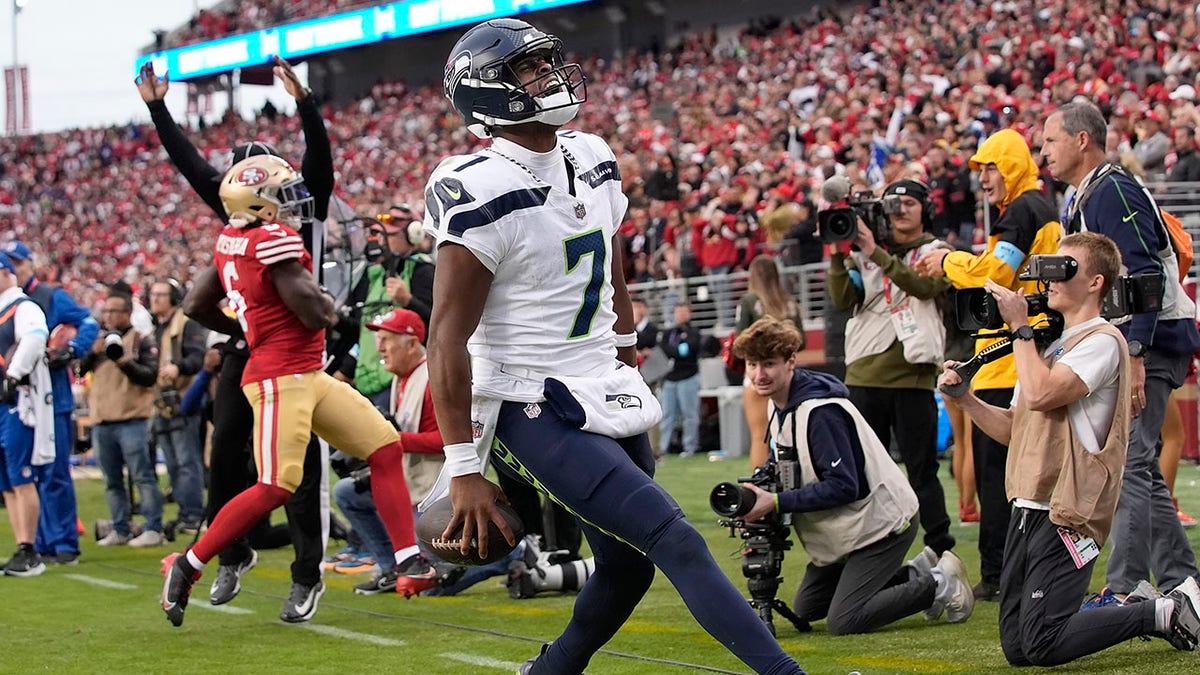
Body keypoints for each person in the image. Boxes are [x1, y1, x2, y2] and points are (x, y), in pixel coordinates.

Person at [426, 18, 805, 675]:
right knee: (673, 534)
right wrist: (463, 465)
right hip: (528, 394)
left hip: (600, 378)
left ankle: (549, 671)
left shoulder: (592, 155)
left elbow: (611, 271)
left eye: (546, 62)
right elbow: (446, 336)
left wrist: (629, 364)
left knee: (628, 565)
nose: (546, 76)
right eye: (526, 69)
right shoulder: (476, 186)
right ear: (487, 90)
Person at [160, 155, 436, 628]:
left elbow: (196, 302)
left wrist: (245, 326)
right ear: (259, 204)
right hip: (277, 380)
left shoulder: (235, 240)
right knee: (275, 486)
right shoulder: (271, 243)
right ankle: (191, 563)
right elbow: (314, 312)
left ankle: (408, 556)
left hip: (307, 372)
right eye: (283, 197)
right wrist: (329, 308)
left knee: (385, 446)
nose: (293, 205)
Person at [937, 232, 1200, 664]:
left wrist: (1020, 328)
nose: (1050, 279)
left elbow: (1041, 396)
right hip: (1029, 503)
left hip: (1067, 509)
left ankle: (1161, 610)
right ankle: (1134, 605)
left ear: (1096, 282)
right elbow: (1013, 428)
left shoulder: (1101, 341)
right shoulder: (1052, 346)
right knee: (1019, 648)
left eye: (1064, 268)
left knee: (1042, 643)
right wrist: (964, 399)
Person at [140, 56, 331, 622]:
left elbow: (318, 169)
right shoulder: (239, 221)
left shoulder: (302, 208)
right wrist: (157, 108)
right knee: (224, 456)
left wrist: (305, 104)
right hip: (254, 349)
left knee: (297, 475)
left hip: (300, 352)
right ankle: (230, 551)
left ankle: (307, 573)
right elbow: (192, 166)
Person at [1040, 101, 1200, 598]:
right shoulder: (1093, 191)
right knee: (1140, 470)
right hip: (1143, 340)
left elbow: (1146, 273)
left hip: (1150, 342)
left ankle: (1125, 588)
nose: (1042, 150)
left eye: (1050, 140)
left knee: (1130, 465)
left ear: (1082, 140)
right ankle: (1181, 581)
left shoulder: (1110, 189)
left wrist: (1134, 353)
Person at [732, 315, 974, 634]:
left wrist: (775, 501)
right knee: (809, 607)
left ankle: (940, 583)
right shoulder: (779, 404)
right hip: (848, 528)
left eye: (768, 364)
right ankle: (916, 573)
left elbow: (845, 486)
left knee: (845, 619)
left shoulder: (820, 412)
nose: (759, 374)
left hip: (882, 524)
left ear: (790, 361)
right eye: (752, 365)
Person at [916, 129, 1062, 601]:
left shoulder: (1024, 209)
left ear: (1013, 164)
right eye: (978, 169)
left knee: (1000, 474)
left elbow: (995, 277)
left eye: (990, 167)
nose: (982, 178)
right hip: (1025, 354)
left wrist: (947, 260)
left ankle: (999, 576)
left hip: (1011, 362)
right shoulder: (1037, 206)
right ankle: (1016, 572)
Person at [829, 179, 957, 556]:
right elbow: (841, 299)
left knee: (922, 473)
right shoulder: (865, 252)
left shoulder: (938, 250)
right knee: (868, 474)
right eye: (893, 204)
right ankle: (872, 553)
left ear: (925, 210)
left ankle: (941, 549)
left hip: (912, 376)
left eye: (908, 204)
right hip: (864, 374)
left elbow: (922, 286)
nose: (899, 211)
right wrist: (839, 254)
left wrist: (874, 252)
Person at [333, 308, 446, 595]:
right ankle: (392, 567)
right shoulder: (399, 378)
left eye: (386, 339)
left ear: (411, 343)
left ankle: (511, 556)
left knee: (432, 584)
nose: (379, 347)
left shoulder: (433, 378)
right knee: (346, 491)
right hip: (411, 481)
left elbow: (451, 439)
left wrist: (393, 439)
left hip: (437, 489)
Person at [4, 241, 99, 565]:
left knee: (53, 470)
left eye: (18, 262)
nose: (15, 268)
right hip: (17, 401)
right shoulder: (9, 303)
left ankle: (62, 543)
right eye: (10, 263)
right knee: (25, 474)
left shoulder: (49, 295)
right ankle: (38, 541)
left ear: (30, 263)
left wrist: (73, 350)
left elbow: (88, 322)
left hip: (51, 397)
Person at [78, 291, 165, 548]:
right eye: (105, 312)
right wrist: (92, 353)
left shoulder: (141, 340)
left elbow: (149, 376)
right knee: (111, 480)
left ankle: (153, 527)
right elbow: (78, 370)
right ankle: (120, 527)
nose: (107, 317)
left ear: (127, 313)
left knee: (142, 476)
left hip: (132, 419)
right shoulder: (98, 342)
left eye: (113, 311)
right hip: (102, 420)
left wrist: (124, 361)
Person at [347, 205, 434, 411]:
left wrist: (408, 300)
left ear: (413, 235)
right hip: (365, 378)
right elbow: (361, 331)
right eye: (378, 235)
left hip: (399, 380)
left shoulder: (423, 272)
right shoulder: (372, 274)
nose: (381, 241)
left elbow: (436, 326)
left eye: (389, 235)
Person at [0, 252, 51, 576]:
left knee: (21, 475)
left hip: (18, 402)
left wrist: (13, 375)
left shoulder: (23, 307)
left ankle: (29, 549)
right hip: (4, 403)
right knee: (7, 482)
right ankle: (21, 545)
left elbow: (35, 339)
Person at [148, 279, 208, 533]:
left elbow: (198, 357)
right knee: (173, 463)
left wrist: (178, 367)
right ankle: (185, 513)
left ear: (174, 298)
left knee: (187, 461)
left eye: (161, 295)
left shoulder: (186, 323)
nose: (155, 299)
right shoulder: (157, 328)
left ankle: (193, 515)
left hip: (184, 400)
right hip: (162, 402)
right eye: (153, 294)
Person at [736, 255, 806, 468]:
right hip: (787, 374)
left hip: (758, 376)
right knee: (792, 434)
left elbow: (740, 341)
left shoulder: (750, 301)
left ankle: (759, 485)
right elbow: (801, 341)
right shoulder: (790, 303)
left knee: (760, 435)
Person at [658, 302, 702, 457]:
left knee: (689, 414)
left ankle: (689, 447)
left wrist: (675, 351)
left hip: (688, 377)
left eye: (684, 312)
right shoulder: (668, 333)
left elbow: (688, 349)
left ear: (689, 313)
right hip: (669, 379)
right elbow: (664, 350)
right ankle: (663, 448)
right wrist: (678, 350)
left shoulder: (694, 332)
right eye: (678, 312)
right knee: (667, 415)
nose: (681, 315)